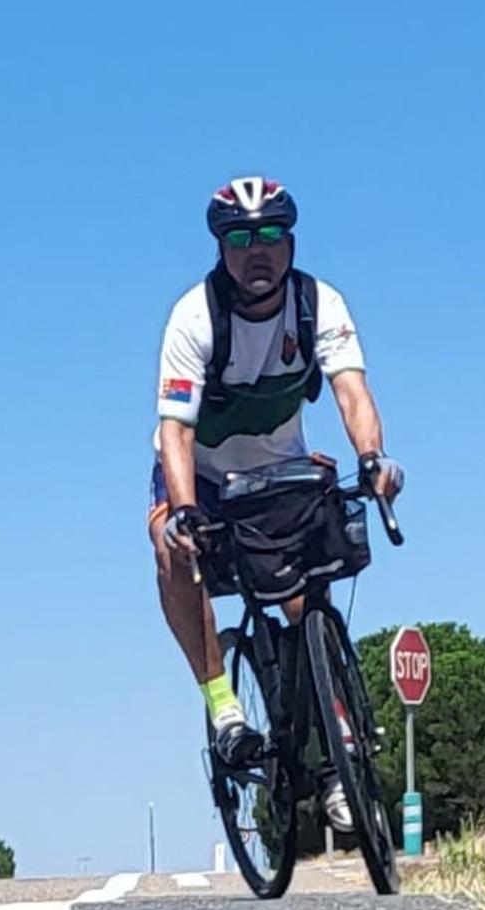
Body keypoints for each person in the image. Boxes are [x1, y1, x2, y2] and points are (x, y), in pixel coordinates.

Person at [148, 176, 403, 830]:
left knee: (304, 599)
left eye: (268, 235)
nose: (254, 251)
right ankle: (225, 706)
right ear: (220, 247)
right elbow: (175, 430)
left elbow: (352, 393)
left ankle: (339, 744)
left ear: (290, 241)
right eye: (238, 238)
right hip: (200, 474)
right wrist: (182, 510)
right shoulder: (195, 317)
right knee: (170, 548)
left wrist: (372, 459)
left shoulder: (319, 303)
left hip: (279, 467)